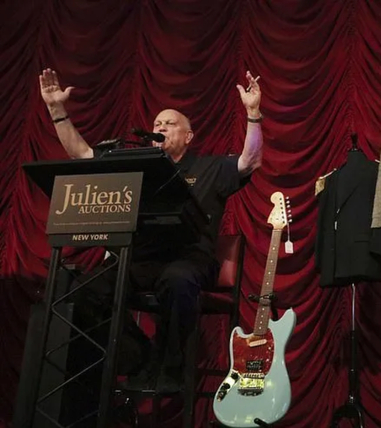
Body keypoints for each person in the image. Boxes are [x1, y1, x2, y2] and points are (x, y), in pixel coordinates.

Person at [38, 68, 263, 396]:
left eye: (170, 123)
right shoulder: (138, 164)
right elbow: (82, 154)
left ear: (188, 137)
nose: (160, 127)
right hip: (138, 260)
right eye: (157, 124)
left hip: (188, 259)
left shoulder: (209, 167)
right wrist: (56, 110)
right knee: (79, 291)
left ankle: (171, 368)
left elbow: (250, 161)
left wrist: (253, 114)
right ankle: (140, 357)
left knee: (178, 281)